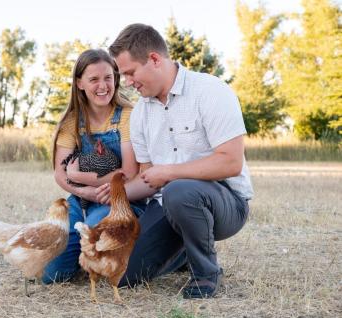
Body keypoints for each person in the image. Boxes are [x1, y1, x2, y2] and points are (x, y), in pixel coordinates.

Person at [96, 23, 254, 298]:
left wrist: (169, 173)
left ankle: (206, 273)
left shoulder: (211, 91)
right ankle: (183, 252)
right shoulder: (141, 114)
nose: (129, 82)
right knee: (120, 274)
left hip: (226, 203)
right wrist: (114, 194)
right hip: (170, 205)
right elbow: (148, 180)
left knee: (179, 190)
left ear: (155, 59)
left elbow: (231, 163)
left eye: (131, 73)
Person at [42, 49, 146, 284]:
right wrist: (84, 192)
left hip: (118, 200)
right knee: (52, 275)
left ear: (116, 79)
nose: (103, 86)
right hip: (82, 199)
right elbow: (60, 173)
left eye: (108, 77)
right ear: (79, 83)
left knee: (91, 232)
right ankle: (79, 260)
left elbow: (128, 173)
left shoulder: (128, 115)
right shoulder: (71, 122)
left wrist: (80, 177)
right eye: (94, 79)